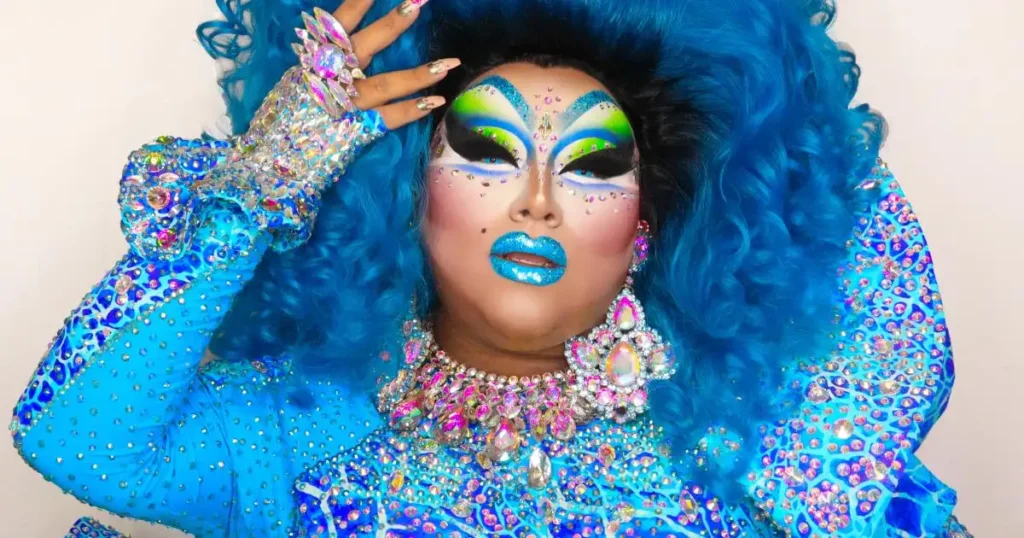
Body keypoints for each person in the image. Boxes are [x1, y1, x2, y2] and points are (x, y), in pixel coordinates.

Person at [12, 0, 972, 536]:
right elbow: (77, 442)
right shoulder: (295, 432)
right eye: (486, 152)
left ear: (649, 223)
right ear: (403, 192)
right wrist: (270, 178)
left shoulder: (747, 454)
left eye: (593, 166)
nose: (537, 202)